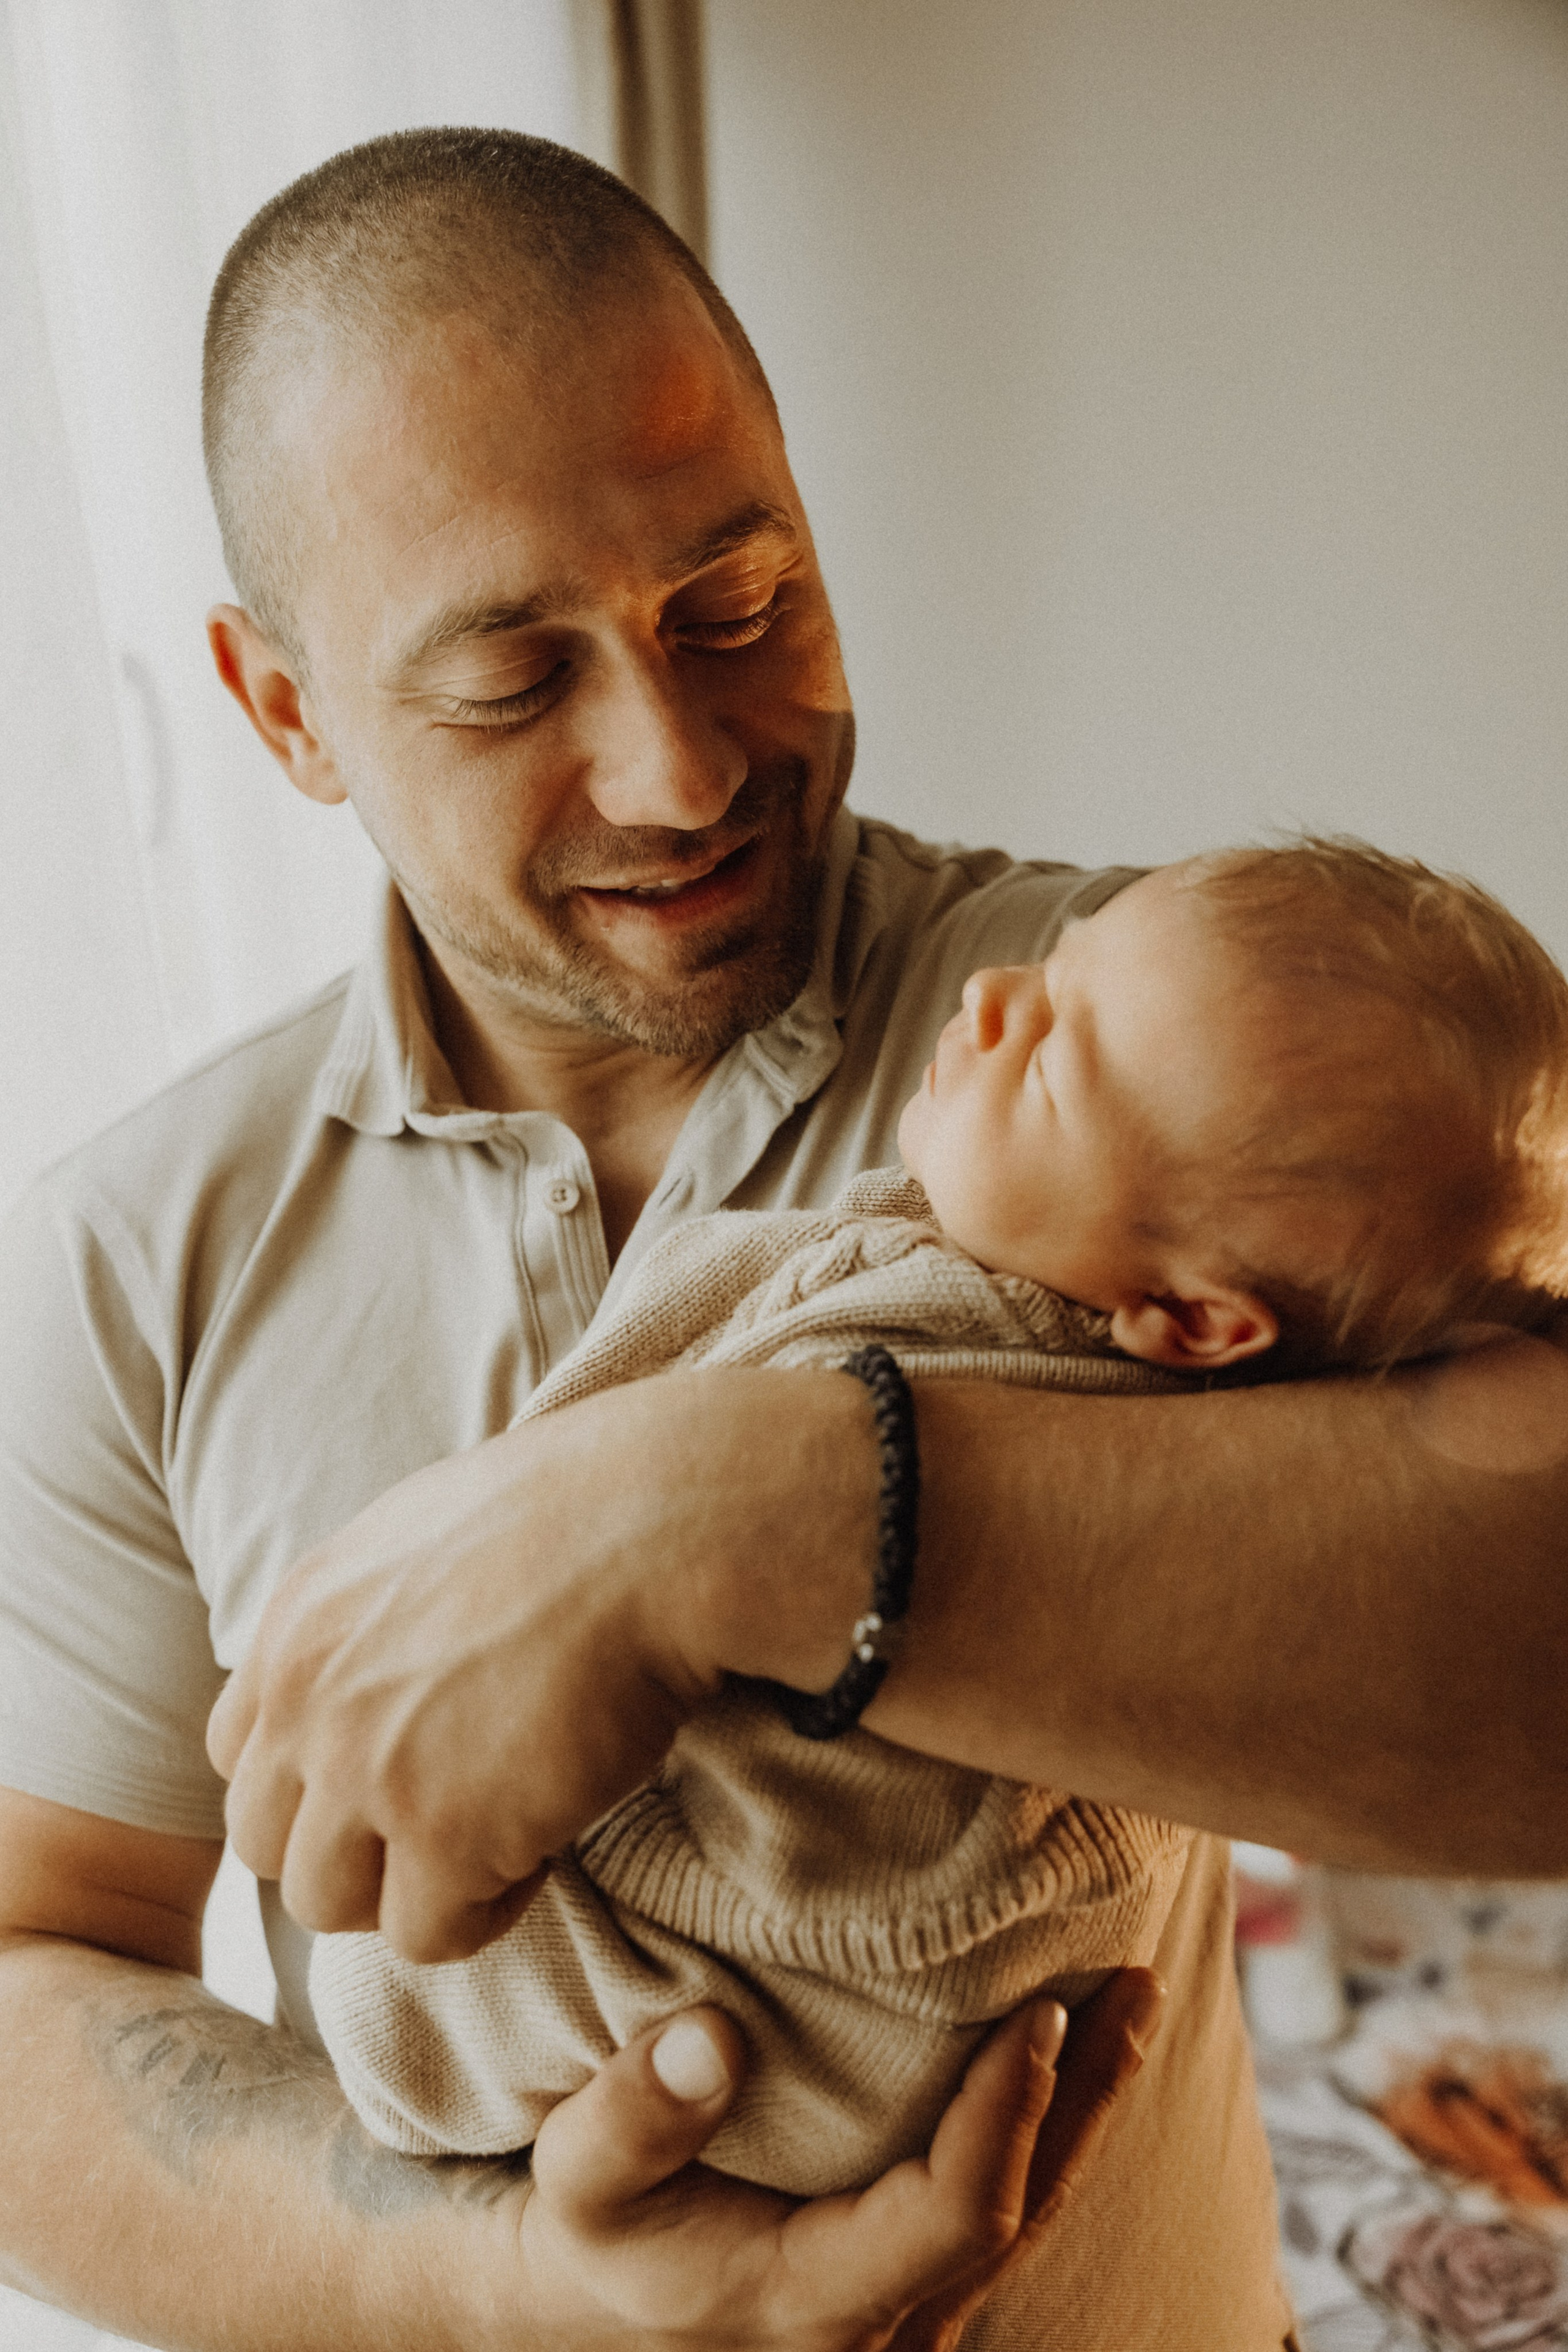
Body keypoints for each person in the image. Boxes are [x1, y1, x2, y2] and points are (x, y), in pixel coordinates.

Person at [0, 122, 1559, 2350]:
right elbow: (34, 1975)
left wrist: (725, 1511)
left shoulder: (1137, 1044)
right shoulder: (126, 1267)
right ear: (287, 714)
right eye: (511, 684)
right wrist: (508, 2290)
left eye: (739, 608)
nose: (682, 770)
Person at [304, 842, 1568, 2297]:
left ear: (1189, 1322)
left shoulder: (975, 1349)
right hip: (781, 2049)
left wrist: (688, 1515)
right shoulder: (1025, 1212)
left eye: (1054, 1058)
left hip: (813, 1980)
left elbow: (598, 1464)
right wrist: (493, 2289)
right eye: (1051, 968)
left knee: (395, 1992)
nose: (989, 996)